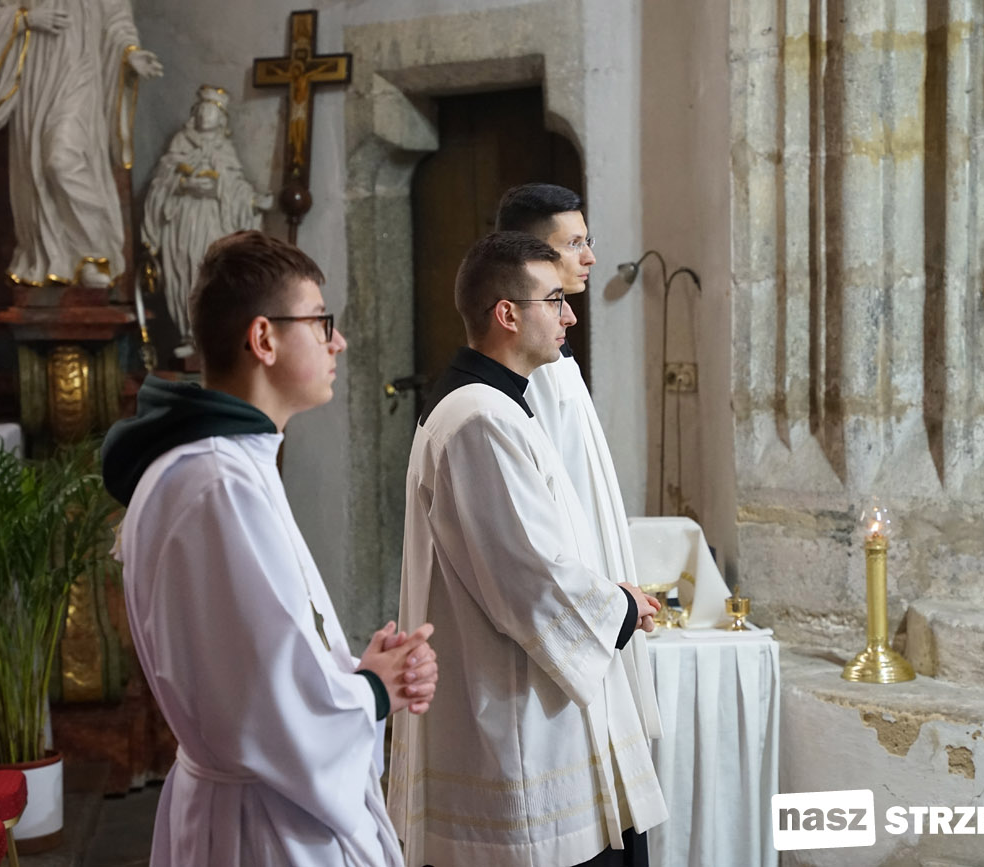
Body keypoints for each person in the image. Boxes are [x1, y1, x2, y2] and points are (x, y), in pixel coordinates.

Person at [101, 230, 437, 866]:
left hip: (252, 807)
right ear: (264, 339)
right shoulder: (218, 483)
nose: (338, 341)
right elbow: (265, 708)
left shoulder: (222, 465)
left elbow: (249, 666)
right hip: (265, 827)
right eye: (320, 321)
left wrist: (354, 672)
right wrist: (372, 692)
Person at [387, 232, 667, 867]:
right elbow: (529, 577)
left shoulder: (495, 407)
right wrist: (620, 608)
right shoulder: (479, 419)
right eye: (555, 300)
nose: (570, 317)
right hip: (516, 721)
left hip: (525, 703)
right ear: (507, 313)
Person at [496, 183, 663, 739]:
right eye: (574, 244)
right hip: (578, 597)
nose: (589, 257)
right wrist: (600, 601)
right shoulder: (531, 367)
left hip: (600, 590)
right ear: (533, 255)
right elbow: (550, 507)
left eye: (588, 241)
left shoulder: (555, 353)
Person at [0, 0, 163, 288]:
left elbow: (117, 21)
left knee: (61, 160)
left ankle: (95, 248)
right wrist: (26, 20)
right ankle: (61, 257)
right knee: (40, 168)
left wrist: (129, 53)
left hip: (82, 76)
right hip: (37, 80)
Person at [142, 86, 274, 356]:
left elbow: (234, 185)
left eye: (211, 110)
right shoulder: (181, 142)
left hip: (211, 219)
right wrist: (182, 184)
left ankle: (210, 334)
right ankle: (188, 333)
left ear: (221, 117)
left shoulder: (224, 148)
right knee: (183, 268)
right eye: (201, 108)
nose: (205, 114)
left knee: (209, 268)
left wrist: (250, 201)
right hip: (182, 219)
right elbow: (162, 181)